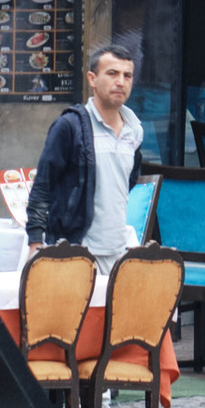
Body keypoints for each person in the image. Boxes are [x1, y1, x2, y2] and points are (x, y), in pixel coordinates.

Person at [26, 45, 147, 284]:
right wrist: (36, 243)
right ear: (92, 78)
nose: (121, 82)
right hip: (75, 252)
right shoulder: (70, 126)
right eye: (112, 73)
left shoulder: (134, 131)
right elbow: (43, 186)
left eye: (127, 75)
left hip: (117, 252)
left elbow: (128, 182)